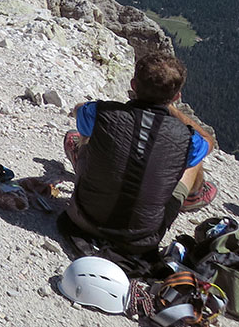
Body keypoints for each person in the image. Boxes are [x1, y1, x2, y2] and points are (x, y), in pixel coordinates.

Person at [63, 51, 217, 258]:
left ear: (134, 85)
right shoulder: (185, 138)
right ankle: (192, 196)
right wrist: (172, 108)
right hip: (141, 238)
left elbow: (79, 110)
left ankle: (87, 166)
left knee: (81, 137)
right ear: (176, 96)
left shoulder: (101, 113)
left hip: (82, 218)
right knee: (194, 160)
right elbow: (209, 141)